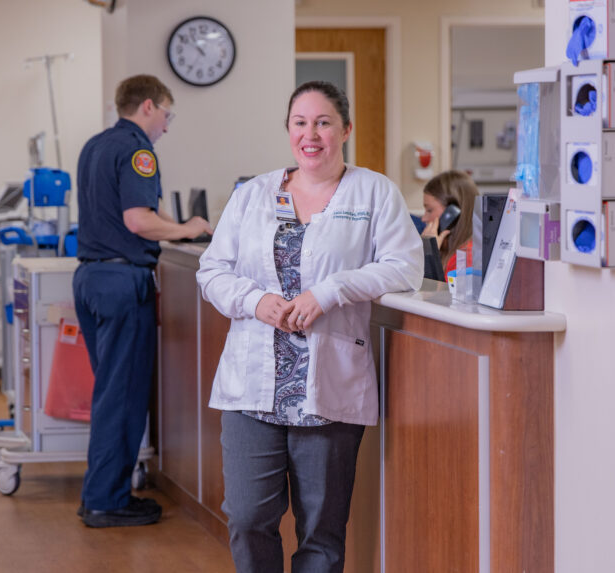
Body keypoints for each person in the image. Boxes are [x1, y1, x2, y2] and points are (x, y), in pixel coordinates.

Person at [196, 81, 423, 572]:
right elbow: (212, 272)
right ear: (288, 131)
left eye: (323, 122)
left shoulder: (374, 191)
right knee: (248, 516)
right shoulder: (253, 194)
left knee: (321, 531)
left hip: (328, 393)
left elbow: (405, 267)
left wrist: (330, 290)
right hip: (254, 390)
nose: (311, 134)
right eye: (300, 123)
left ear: (345, 129)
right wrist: (255, 301)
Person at [74, 74, 212, 528]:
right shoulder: (138, 151)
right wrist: (190, 230)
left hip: (91, 278)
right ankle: (106, 501)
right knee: (123, 395)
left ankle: (102, 493)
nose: (167, 126)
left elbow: (138, 213)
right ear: (148, 106)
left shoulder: (95, 145)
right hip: (121, 282)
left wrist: (174, 224)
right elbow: (137, 220)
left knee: (110, 392)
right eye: (167, 115)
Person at [420, 169, 478, 275]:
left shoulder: (464, 259)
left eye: (429, 210)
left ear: (452, 213)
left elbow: (432, 291)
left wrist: (429, 256)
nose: (424, 218)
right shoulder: (445, 251)